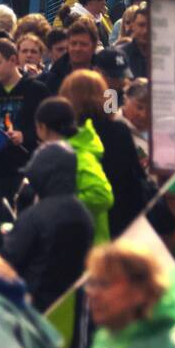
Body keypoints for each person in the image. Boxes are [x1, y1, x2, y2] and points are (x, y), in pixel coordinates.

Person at [3, 134, 94, 312]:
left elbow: (9, 261)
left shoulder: (35, 216)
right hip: (71, 306)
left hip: (35, 307)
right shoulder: (83, 214)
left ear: (42, 176)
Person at [0, 38, 48, 245]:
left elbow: (49, 128)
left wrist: (25, 135)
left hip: (27, 171)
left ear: (13, 60)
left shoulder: (37, 90)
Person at [62, 68, 146, 239]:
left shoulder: (63, 135)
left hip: (77, 224)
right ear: (103, 95)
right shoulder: (119, 130)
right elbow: (134, 179)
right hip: (121, 219)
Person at [47, 93, 114, 246]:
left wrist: (59, 205)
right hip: (101, 230)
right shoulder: (110, 125)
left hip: (88, 239)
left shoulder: (78, 152)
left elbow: (102, 196)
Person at [44, 16, 99, 95]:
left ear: (94, 46)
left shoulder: (105, 73)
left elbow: (111, 106)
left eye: (83, 44)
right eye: (73, 43)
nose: (77, 48)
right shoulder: (53, 76)